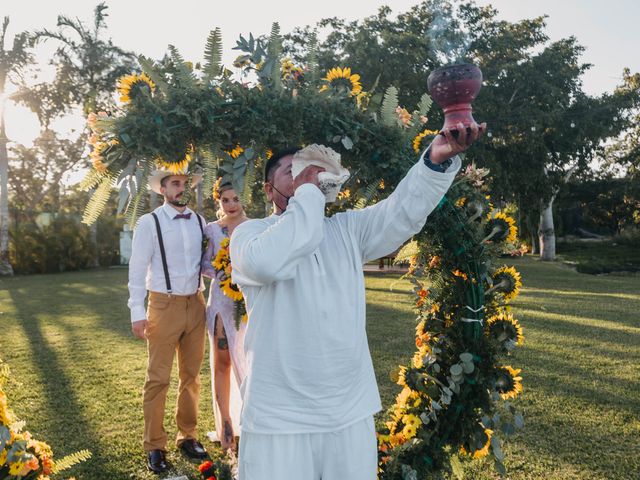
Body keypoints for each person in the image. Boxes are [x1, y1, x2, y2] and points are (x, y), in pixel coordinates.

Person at [230, 122, 485, 479]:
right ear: (270, 190)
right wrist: (307, 195)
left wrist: (435, 161)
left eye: (310, 168)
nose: (305, 174)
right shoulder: (249, 235)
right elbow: (271, 262)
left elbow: (401, 211)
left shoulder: (347, 229)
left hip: (346, 409)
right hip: (279, 414)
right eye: (292, 171)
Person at [127, 169, 209, 474]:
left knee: (191, 376)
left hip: (196, 303)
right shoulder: (149, 223)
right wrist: (137, 312)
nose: (181, 188)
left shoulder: (200, 221)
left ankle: (188, 436)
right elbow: (137, 271)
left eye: (185, 183)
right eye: (175, 183)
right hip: (163, 304)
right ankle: (155, 445)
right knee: (158, 378)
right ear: (162, 189)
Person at [201, 180, 249, 452]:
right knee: (223, 361)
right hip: (220, 302)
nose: (231, 205)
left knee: (247, 360)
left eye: (235, 199)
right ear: (218, 202)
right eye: (225, 200)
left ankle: (252, 421)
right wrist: (223, 267)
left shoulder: (255, 227)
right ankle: (226, 426)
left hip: (247, 306)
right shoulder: (212, 230)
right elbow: (204, 265)